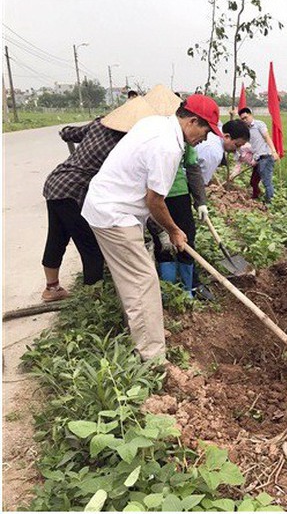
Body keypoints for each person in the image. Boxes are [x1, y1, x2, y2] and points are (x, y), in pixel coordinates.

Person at [81, 94, 222, 362]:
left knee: (133, 279)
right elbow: (155, 201)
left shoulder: (156, 123)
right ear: (193, 121)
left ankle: (138, 336)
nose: (205, 139)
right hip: (115, 214)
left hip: (109, 207)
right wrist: (173, 230)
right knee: (143, 284)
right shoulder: (168, 147)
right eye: (206, 131)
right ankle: (153, 359)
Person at [40, 119, 126, 301]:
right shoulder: (125, 142)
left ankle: (52, 288)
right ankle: (93, 300)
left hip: (56, 182)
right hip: (74, 190)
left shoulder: (100, 123)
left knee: (57, 237)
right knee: (91, 248)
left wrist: (67, 131)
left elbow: (67, 133)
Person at [146, 142, 207, 297]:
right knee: (162, 243)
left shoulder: (183, 137)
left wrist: (200, 201)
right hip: (152, 195)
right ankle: (170, 291)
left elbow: (192, 167)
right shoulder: (147, 135)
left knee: (186, 239)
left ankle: (187, 290)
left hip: (178, 194)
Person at [238, 107, 279, 203]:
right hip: (257, 158)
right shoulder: (246, 130)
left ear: (250, 115)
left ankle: (270, 203)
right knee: (253, 181)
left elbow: (267, 137)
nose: (244, 120)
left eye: (246, 117)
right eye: (242, 119)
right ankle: (256, 196)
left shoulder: (259, 124)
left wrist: (274, 151)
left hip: (266, 157)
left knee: (267, 182)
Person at [196, 119, 251, 185]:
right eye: (237, 145)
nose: (236, 150)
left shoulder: (211, 134)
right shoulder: (214, 152)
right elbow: (198, 183)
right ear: (227, 137)